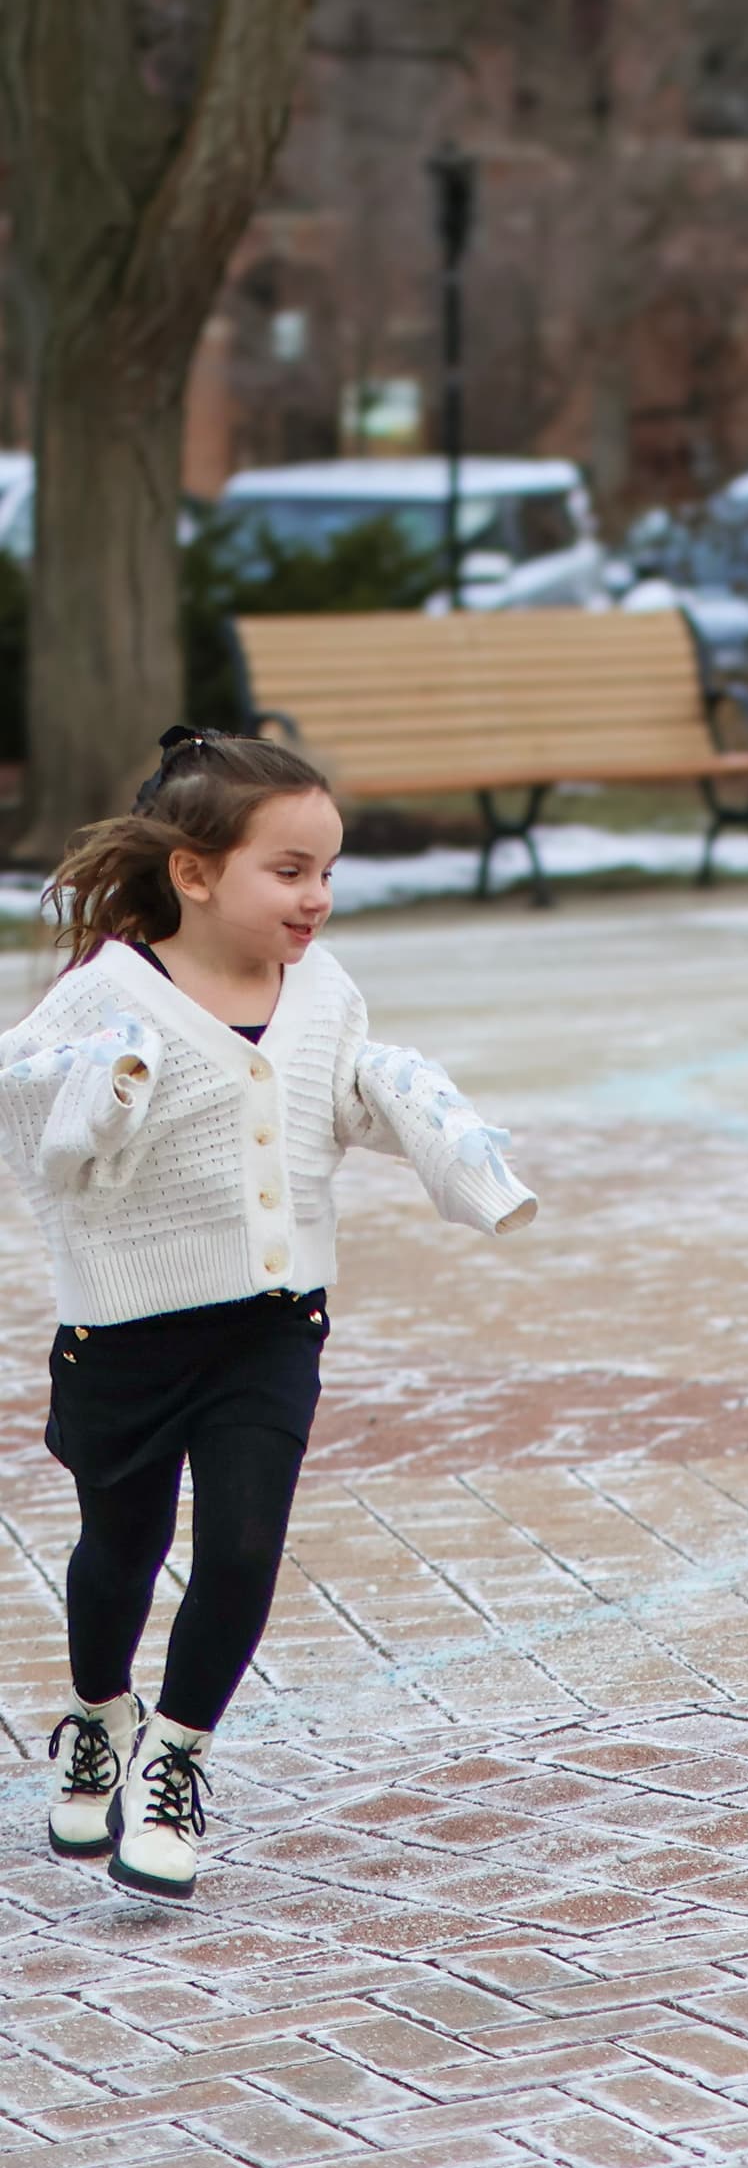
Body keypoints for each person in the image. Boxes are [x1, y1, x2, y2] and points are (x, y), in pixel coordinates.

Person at [9, 730, 536, 1902]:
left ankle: (176, 1761)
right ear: (195, 874)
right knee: (120, 1554)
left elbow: (329, 1100)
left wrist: (404, 1105)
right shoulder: (105, 989)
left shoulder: (326, 992)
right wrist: (103, 1097)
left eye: (328, 872)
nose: (318, 899)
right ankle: (101, 1715)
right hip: (126, 1339)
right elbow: (38, 1125)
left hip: (272, 1322)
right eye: (288, 871)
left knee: (243, 1547)